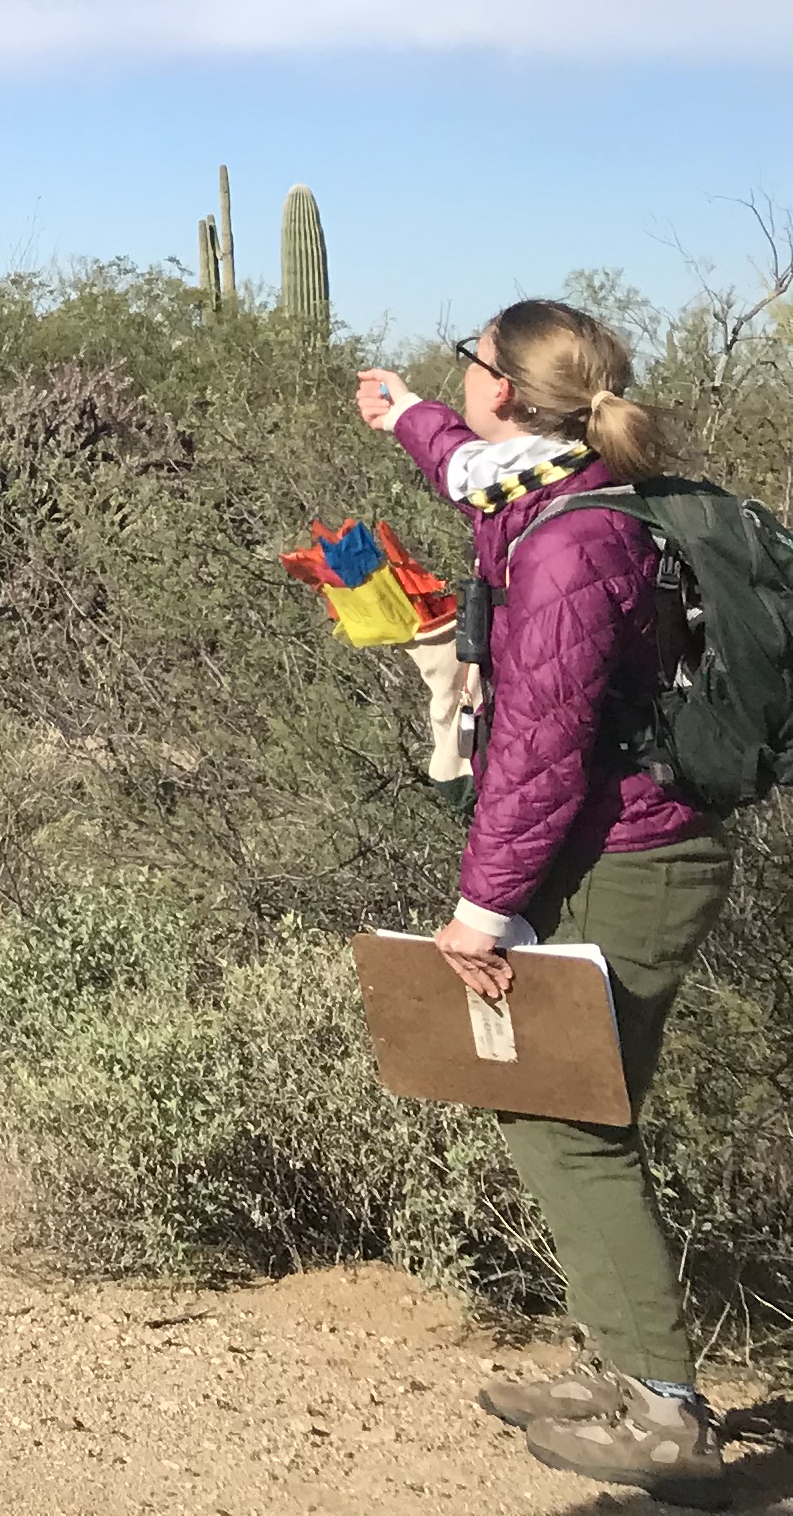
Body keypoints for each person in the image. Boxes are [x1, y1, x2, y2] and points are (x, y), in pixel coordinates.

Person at [361, 301, 728, 1506]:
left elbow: (540, 745)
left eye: (465, 363)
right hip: (601, 847)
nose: (454, 375)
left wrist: (484, 905)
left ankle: (664, 1413)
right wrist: (399, 414)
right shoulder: (544, 485)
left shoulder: (569, 545)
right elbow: (463, 469)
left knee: (574, 1118)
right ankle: (617, 1370)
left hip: (631, 857)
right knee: (543, 1104)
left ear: (508, 389)